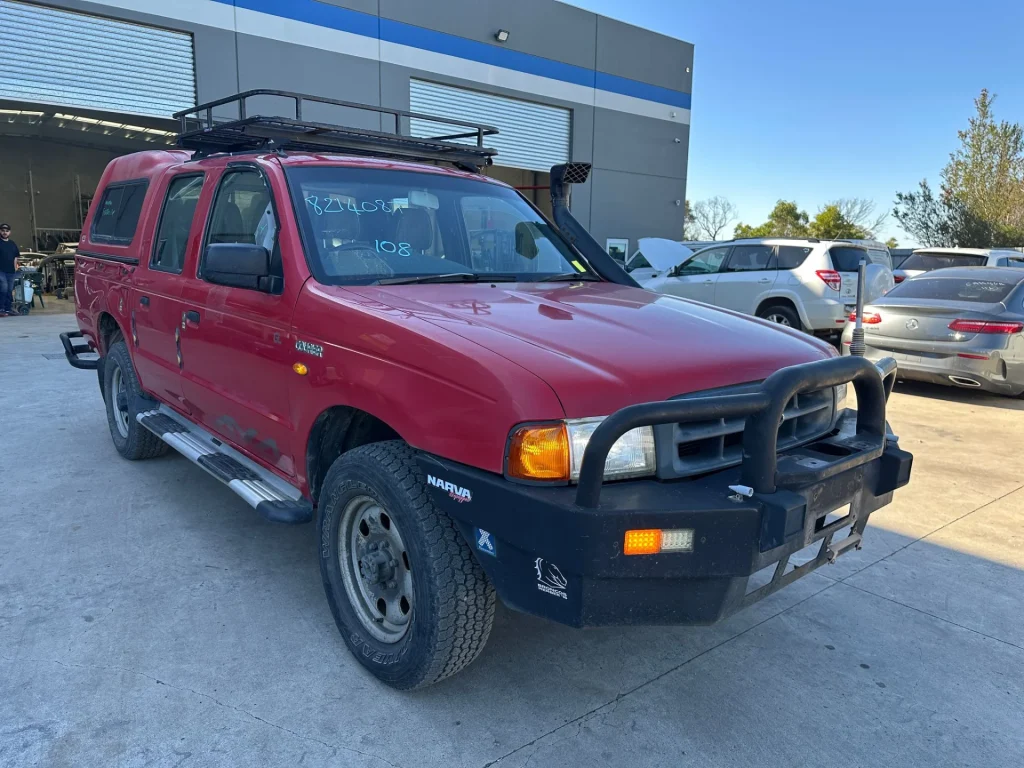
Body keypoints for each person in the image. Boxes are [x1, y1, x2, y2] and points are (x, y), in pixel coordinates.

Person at [0, 223, 20, 317]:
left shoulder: (12, 244)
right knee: (3, 288)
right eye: (3, 230)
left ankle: (8, 309)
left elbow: (16, 257)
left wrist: (15, 268)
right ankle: (1, 309)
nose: (5, 232)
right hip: (1, 271)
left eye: (6, 231)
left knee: (9, 290)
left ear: (9, 232)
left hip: (11, 271)